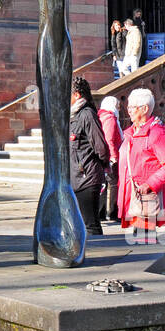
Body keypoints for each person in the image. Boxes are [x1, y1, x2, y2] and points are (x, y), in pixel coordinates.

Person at [118, 88, 165, 238]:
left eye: (132, 107)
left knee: (143, 243)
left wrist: (150, 184)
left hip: (146, 198)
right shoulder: (131, 132)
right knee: (137, 242)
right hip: (133, 197)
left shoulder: (156, 133)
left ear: (145, 109)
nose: (129, 111)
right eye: (128, 107)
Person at [69, 76, 109, 236]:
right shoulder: (74, 116)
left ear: (77, 95)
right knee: (80, 225)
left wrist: (101, 166)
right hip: (76, 179)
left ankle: (101, 256)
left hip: (87, 178)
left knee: (90, 225)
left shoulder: (87, 115)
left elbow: (101, 146)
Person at [97, 95, 122, 224]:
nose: (119, 107)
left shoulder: (101, 116)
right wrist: (113, 157)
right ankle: (113, 212)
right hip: (110, 157)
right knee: (114, 184)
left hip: (102, 156)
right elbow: (109, 139)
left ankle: (100, 213)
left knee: (104, 184)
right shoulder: (110, 118)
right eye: (117, 105)